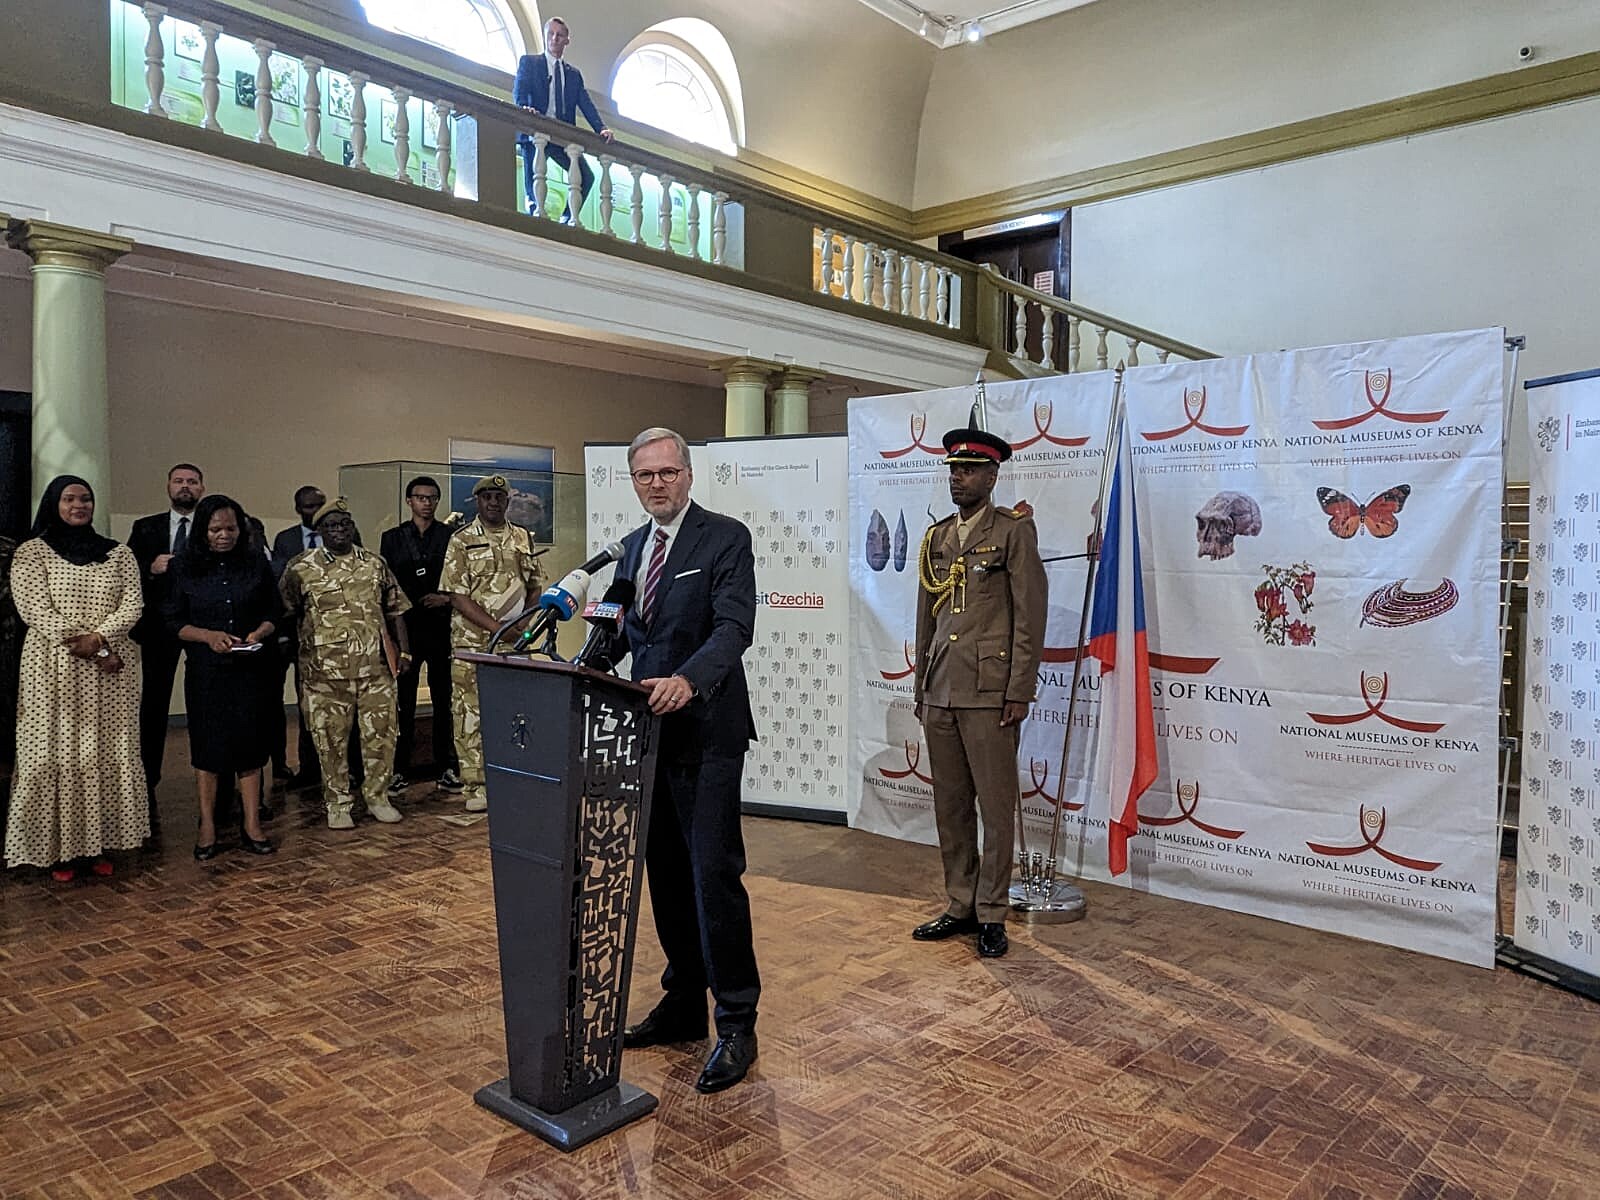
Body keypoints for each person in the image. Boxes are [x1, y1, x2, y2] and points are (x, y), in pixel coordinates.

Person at [615, 428, 762, 1095]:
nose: (658, 484)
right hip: (650, 736)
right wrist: (571, 665)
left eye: (668, 472)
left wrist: (689, 680)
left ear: (689, 475)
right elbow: (617, 632)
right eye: (646, 475)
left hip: (707, 734)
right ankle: (682, 1005)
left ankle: (736, 1022)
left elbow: (734, 628)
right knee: (668, 878)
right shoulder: (630, 549)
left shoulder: (724, 538)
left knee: (712, 878)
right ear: (634, 481)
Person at [911, 426, 1048, 959]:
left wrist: (1020, 689)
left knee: (995, 807)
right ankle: (960, 903)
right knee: (950, 806)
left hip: (990, 690)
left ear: (992, 477)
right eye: (953, 470)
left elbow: (1029, 617)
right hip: (942, 686)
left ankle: (992, 911)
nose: (958, 478)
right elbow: (927, 617)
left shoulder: (1012, 532)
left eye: (968, 470)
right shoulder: (937, 537)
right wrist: (922, 684)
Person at [5, 476, 148, 879]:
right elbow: (34, 608)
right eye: (69, 499)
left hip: (111, 672)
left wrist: (100, 639)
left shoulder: (119, 554)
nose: (79, 505)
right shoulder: (32, 552)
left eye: (86, 499)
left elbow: (133, 604)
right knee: (55, 753)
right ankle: (58, 850)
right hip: (54, 668)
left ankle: (96, 845)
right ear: (54, 503)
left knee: (104, 751)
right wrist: (90, 646)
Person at [280, 499, 410, 830]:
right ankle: (337, 803)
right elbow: (287, 611)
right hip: (324, 674)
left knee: (381, 738)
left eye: (344, 524)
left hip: (375, 670)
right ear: (319, 531)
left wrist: (405, 652)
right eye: (331, 526)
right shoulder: (301, 567)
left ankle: (378, 797)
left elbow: (395, 609)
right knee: (330, 742)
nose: (339, 530)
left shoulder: (374, 563)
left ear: (353, 527)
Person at [166, 495, 280, 860]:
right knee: (209, 749)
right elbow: (172, 621)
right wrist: (207, 636)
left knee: (251, 747)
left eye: (231, 529)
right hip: (207, 672)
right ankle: (208, 826)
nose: (224, 536)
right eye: (216, 529)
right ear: (203, 530)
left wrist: (258, 633)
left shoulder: (255, 564)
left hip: (250, 669)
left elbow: (274, 612)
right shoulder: (183, 567)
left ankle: (252, 824)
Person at [437, 476, 546, 813]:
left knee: (513, 713)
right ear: (478, 501)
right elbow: (457, 596)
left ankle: (510, 778)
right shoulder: (461, 539)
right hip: (473, 644)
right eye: (487, 497)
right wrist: (499, 629)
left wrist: (523, 625)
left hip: (514, 644)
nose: (494, 502)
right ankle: (476, 786)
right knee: (470, 715)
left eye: (499, 497)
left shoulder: (523, 537)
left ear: (507, 501)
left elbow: (534, 585)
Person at [126, 462, 205, 831]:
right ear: (168, 486)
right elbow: (125, 571)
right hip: (159, 627)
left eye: (192, 481)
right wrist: (150, 567)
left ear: (202, 488)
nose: (185, 486)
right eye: (179, 481)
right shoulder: (146, 527)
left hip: (202, 625)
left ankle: (214, 779)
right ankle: (147, 778)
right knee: (154, 704)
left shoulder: (212, 524)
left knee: (206, 702)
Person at [379, 476, 461, 795]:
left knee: (444, 701)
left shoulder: (450, 536)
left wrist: (445, 599)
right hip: (407, 628)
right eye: (420, 497)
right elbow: (386, 584)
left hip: (441, 626)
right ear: (409, 501)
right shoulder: (393, 538)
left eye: (432, 498)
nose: (426, 503)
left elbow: (460, 580)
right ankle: (399, 769)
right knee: (404, 703)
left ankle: (446, 767)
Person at [513, 16, 614, 222]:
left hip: (561, 136)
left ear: (567, 40)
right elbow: (520, 92)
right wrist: (524, 109)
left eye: (559, 35)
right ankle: (534, 212)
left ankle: (567, 218)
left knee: (585, 177)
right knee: (533, 177)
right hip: (536, 131)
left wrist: (601, 128)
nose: (554, 38)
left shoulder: (573, 75)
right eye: (551, 34)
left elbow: (585, 103)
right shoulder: (530, 63)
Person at [270, 485, 329, 788]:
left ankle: (316, 766)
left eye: (319, 505)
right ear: (298, 509)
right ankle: (280, 763)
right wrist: (281, 635)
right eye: (309, 506)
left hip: (325, 632)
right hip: (289, 631)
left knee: (316, 703)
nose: (315, 511)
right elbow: (280, 587)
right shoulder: (286, 539)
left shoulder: (337, 534)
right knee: (279, 702)